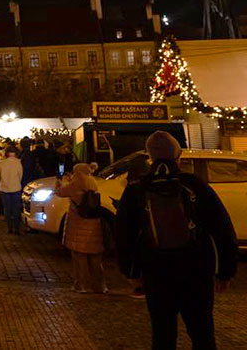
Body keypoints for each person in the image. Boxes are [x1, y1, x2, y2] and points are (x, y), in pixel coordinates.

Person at [115, 131, 237, 350]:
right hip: (196, 269)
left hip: (156, 270)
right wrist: (225, 271)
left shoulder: (137, 189)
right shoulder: (194, 185)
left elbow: (125, 235)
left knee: (162, 333)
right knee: (202, 332)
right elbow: (222, 228)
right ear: (177, 155)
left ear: (150, 156)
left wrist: (131, 273)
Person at [52, 162, 107, 293]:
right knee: (95, 259)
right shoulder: (92, 183)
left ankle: (81, 285)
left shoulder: (75, 185)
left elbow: (59, 192)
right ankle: (100, 285)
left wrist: (59, 182)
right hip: (93, 228)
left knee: (79, 258)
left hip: (78, 226)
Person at [0, 148, 24, 235]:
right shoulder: (18, 162)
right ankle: (16, 228)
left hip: (5, 187)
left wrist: (1, 180)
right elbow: (20, 175)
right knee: (16, 208)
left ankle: (9, 227)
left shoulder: (1, 163)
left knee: (7, 208)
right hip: (16, 187)